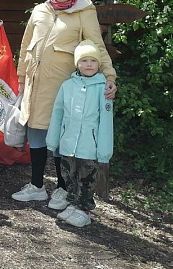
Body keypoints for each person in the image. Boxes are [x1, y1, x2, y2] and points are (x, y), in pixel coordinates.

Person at [13, 0, 117, 205]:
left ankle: (62, 187)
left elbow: (97, 46)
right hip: (34, 83)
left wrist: (109, 75)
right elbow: (26, 43)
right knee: (36, 132)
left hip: (63, 86)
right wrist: (21, 77)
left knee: (61, 134)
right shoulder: (40, 10)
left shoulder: (84, 11)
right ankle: (37, 185)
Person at [46, 40, 114, 227]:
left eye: (93, 60)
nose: (89, 64)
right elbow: (58, 113)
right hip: (68, 143)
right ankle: (73, 202)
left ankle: (84, 209)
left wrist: (104, 151)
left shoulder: (103, 88)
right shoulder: (67, 86)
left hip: (89, 146)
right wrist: (52, 140)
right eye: (84, 60)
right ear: (77, 63)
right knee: (69, 174)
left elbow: (106, 122)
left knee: (87, 178)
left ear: (99, 64)